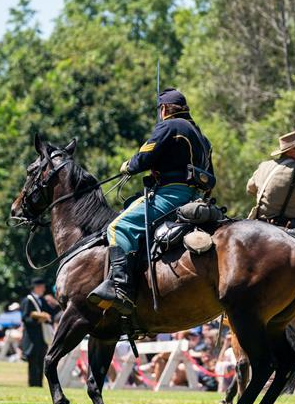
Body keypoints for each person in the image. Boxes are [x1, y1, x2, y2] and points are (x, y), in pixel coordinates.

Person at [88, 88, 216, 319]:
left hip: (171, 195)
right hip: (195, 197)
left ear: (164, 109)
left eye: (160, 110)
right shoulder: (202, 137)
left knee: (117, 227)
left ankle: (122, 289)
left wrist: (128, 165)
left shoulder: (169, 126)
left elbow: (144, 157)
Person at [21, 277, 54, 387]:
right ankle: (32, 384)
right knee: (33, 362)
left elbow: (51, 314)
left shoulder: (43, 300)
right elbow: (25, 318)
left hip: (42, 336)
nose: (44, 289)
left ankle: (39, 384)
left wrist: (46, 317)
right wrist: (38, 320)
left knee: (41, 361)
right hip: (32, 337)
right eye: (42, 287)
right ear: (37, 287)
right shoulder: (27, 300)